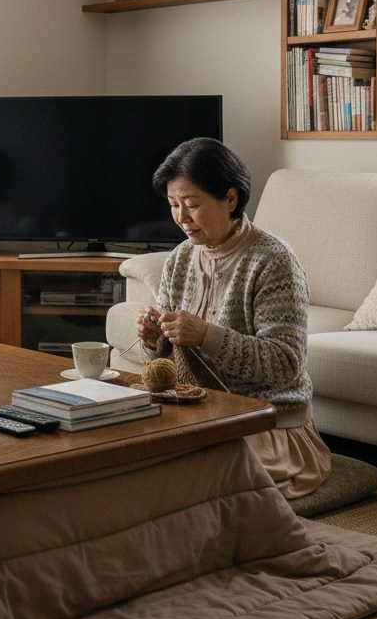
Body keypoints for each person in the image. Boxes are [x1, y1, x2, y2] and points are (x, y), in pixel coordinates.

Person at [135, 138, 331, 499]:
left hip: (264, 424)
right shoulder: (180, 259)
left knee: (191, 481)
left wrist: (206, 335)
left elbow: (285, 363)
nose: (181, 218)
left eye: (192, 205)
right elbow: (170, 364)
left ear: (230, 199)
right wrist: (154, 340)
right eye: (173, 205)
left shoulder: (273, 261)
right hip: (197, 414)